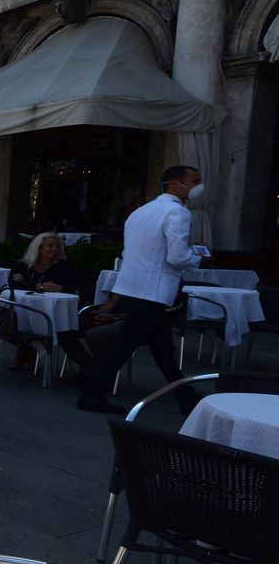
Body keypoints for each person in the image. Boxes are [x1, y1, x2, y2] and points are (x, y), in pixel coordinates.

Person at [78, 166, 207, 415]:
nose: (199, 186)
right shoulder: (177, 213)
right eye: (194, 180)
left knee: (161, 347)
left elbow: (130, 253)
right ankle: (92, 393)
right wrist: (198, 259)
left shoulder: (140, 212)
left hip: (135, 286)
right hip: (155, 289)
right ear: (174, 184)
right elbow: (178, 256)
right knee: (128, 345)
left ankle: (185, 395)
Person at [6, 232, 96, 379]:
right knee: (8, 326)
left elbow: (59, 287)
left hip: (57, 311)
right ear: (39, 247)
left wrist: (26, 283)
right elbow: (14, 284)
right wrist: (39, 286)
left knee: (62, 330)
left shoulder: (62, 265)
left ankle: (89, 368)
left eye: (57, 246)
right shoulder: (25, 264)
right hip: (28, 310)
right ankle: (30, 349)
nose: (54, 249)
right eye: (50, 246)